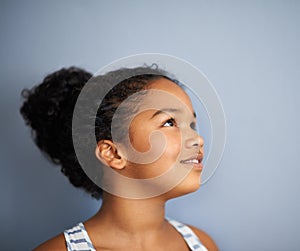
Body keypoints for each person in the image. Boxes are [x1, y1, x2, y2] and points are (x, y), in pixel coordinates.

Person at [20, 66, 219, 251]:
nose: (198, 139)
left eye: (192, 125)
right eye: (169, 122)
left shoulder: (202, 243)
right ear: (113, 153)